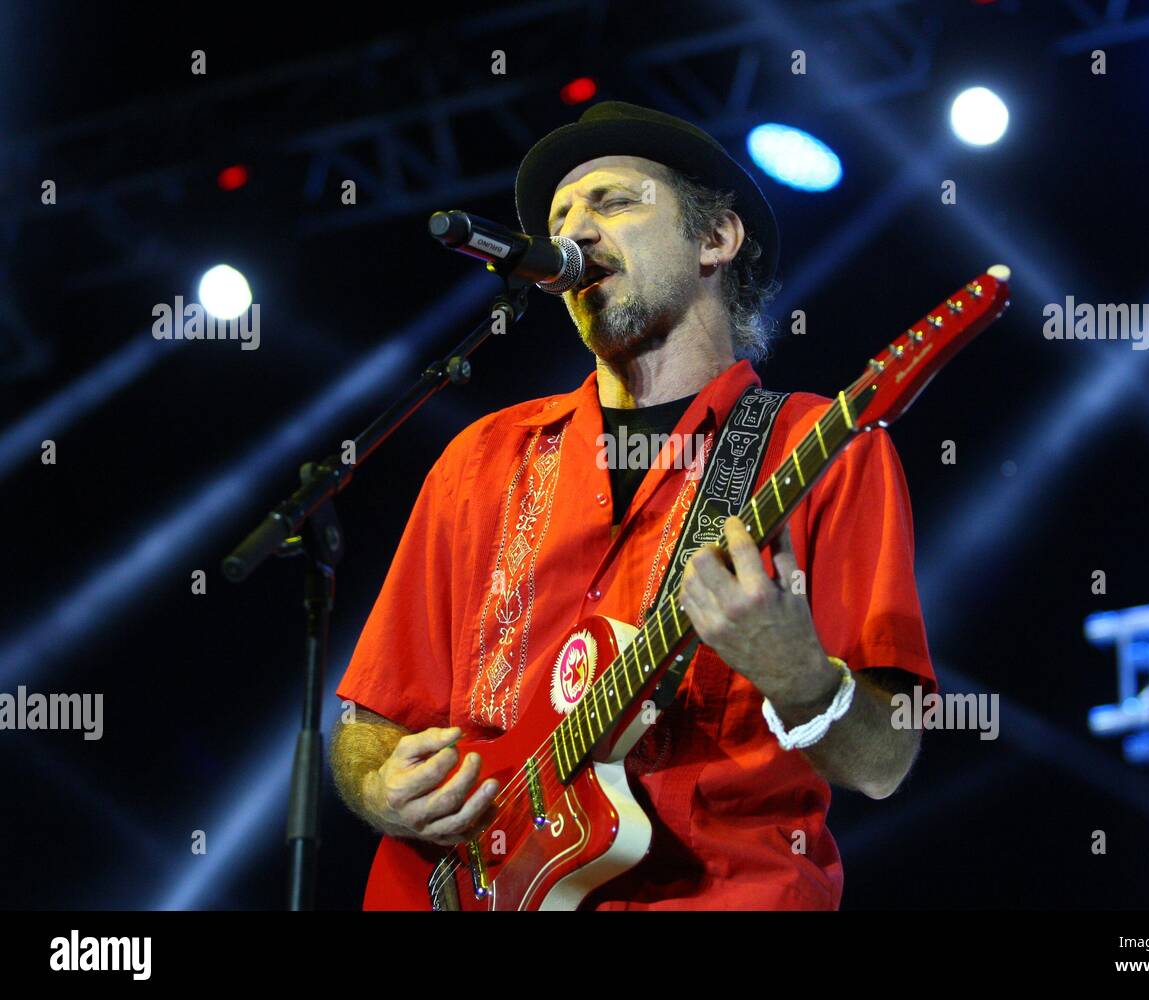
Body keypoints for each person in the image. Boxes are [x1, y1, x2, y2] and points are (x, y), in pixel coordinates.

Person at [330, 101, 937, 909]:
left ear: (715, 239)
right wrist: (377, 784)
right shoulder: (481, 458)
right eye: (561, 217)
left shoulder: (826, 447)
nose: (575, 231)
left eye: (613, 202)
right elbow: (375, 718)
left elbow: (883, 762)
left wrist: (799, 676)